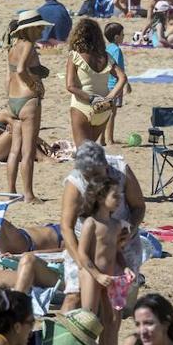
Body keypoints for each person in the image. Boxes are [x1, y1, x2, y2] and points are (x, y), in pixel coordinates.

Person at [60, 141, 147, 314]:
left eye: (96, 174)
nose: (92, 180)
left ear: (105, 165)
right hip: (86, 243)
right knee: (74, 296)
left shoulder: (121, 171)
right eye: (87, 175)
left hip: (120, 242)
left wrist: (130, 229)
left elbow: (139, 206)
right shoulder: (75, 182)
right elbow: (66, 227)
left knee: (114, 309)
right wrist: (81, 262)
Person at [76, 177, 135, 345]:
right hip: (91, 275)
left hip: (110, 276)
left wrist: (125, 267)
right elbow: (82, 254)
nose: (119, 200)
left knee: (113, 319)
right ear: (101, 198)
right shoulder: (91, 224)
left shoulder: (115, 225)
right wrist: (97, 275)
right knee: (89, 317)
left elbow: (116, 252)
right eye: (115, 196)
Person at [6, 11, 51, 202]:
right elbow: (21, 69)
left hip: (13, 99)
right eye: (39, 27)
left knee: (14, 150)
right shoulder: (29, 45)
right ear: (30, 29)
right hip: (28, 100)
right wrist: (34, 85)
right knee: (28, 151)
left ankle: (10, 191)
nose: (42, 30)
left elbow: (9, 76)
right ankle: (29, 194)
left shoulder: (13, 46)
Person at [66, 18, 125, 146]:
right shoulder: (106, 56)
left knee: (84, 153)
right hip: (104, 108)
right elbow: (122, 78)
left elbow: (70, 86)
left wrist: (91, 98)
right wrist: (109, 97)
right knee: (91, 149)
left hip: (83, 105)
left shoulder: (75, 56)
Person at [103, 21, 129, 146]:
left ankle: (102, 139)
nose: (124, 36)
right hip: (115, 85)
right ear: (116, 37)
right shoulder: (117, 50)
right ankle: (109, 139)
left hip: (105, 83)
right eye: (122, 34)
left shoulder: (106, 48)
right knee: (112, 113)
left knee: (104, 113)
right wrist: (126, 83)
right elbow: (119, 70)